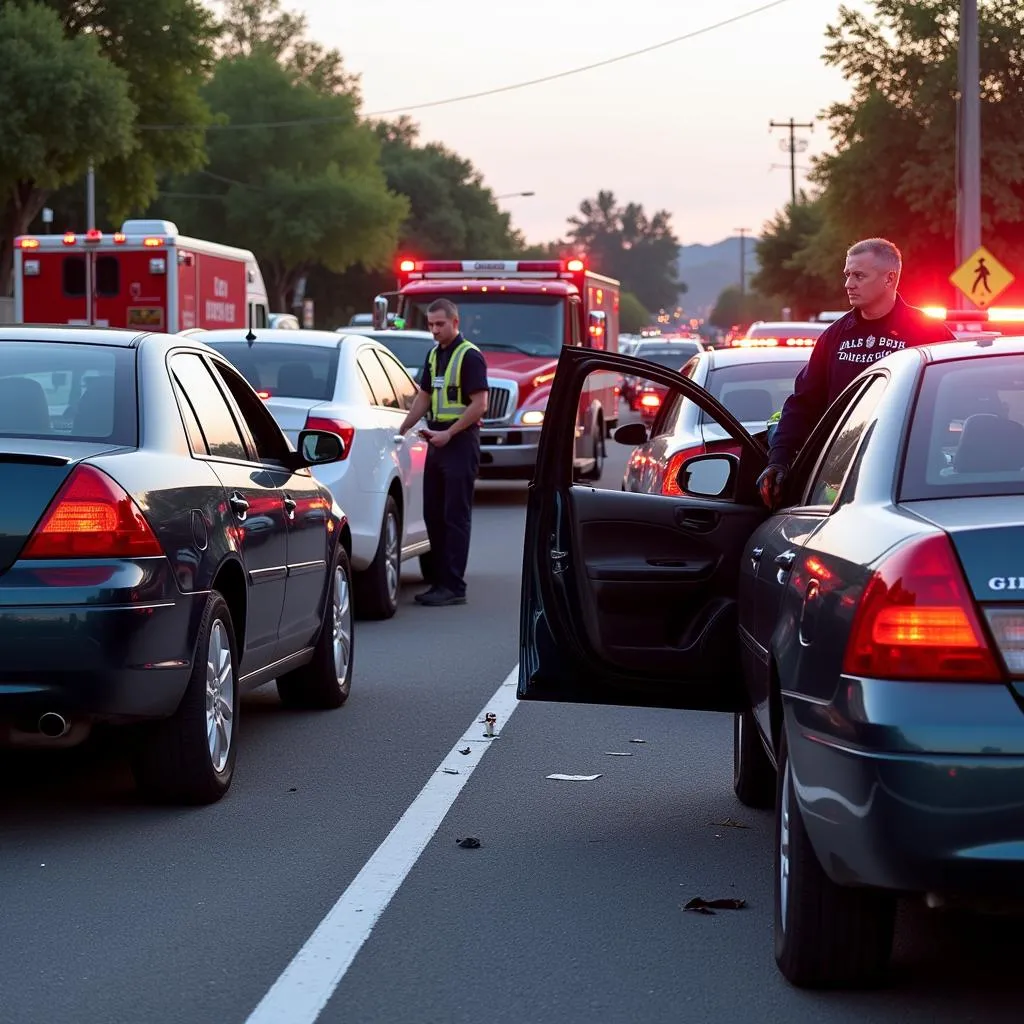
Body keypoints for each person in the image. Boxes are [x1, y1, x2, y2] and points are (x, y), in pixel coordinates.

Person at [758, 237, 955, 508]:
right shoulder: (834, 337)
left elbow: (957, 401)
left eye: (859, 275)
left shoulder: (929, 333)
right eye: (848, 274)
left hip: (911, 472)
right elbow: (803, 403)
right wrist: (778, 460)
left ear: (889, 278)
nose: (849, 284)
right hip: (839, 477)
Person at [398, 298, 489, 606]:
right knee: (433, 515)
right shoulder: (434, 355)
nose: (434, 330)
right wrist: (402, 427)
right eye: (430, 324)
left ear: (455, 323)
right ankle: (440, 582)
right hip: (436, 439)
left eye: (440, 324)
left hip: (459, 442)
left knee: (455, 516)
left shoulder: (469, 356)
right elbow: (424, 397)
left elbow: (480, 404)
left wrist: (449, 433)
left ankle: (453, 586)